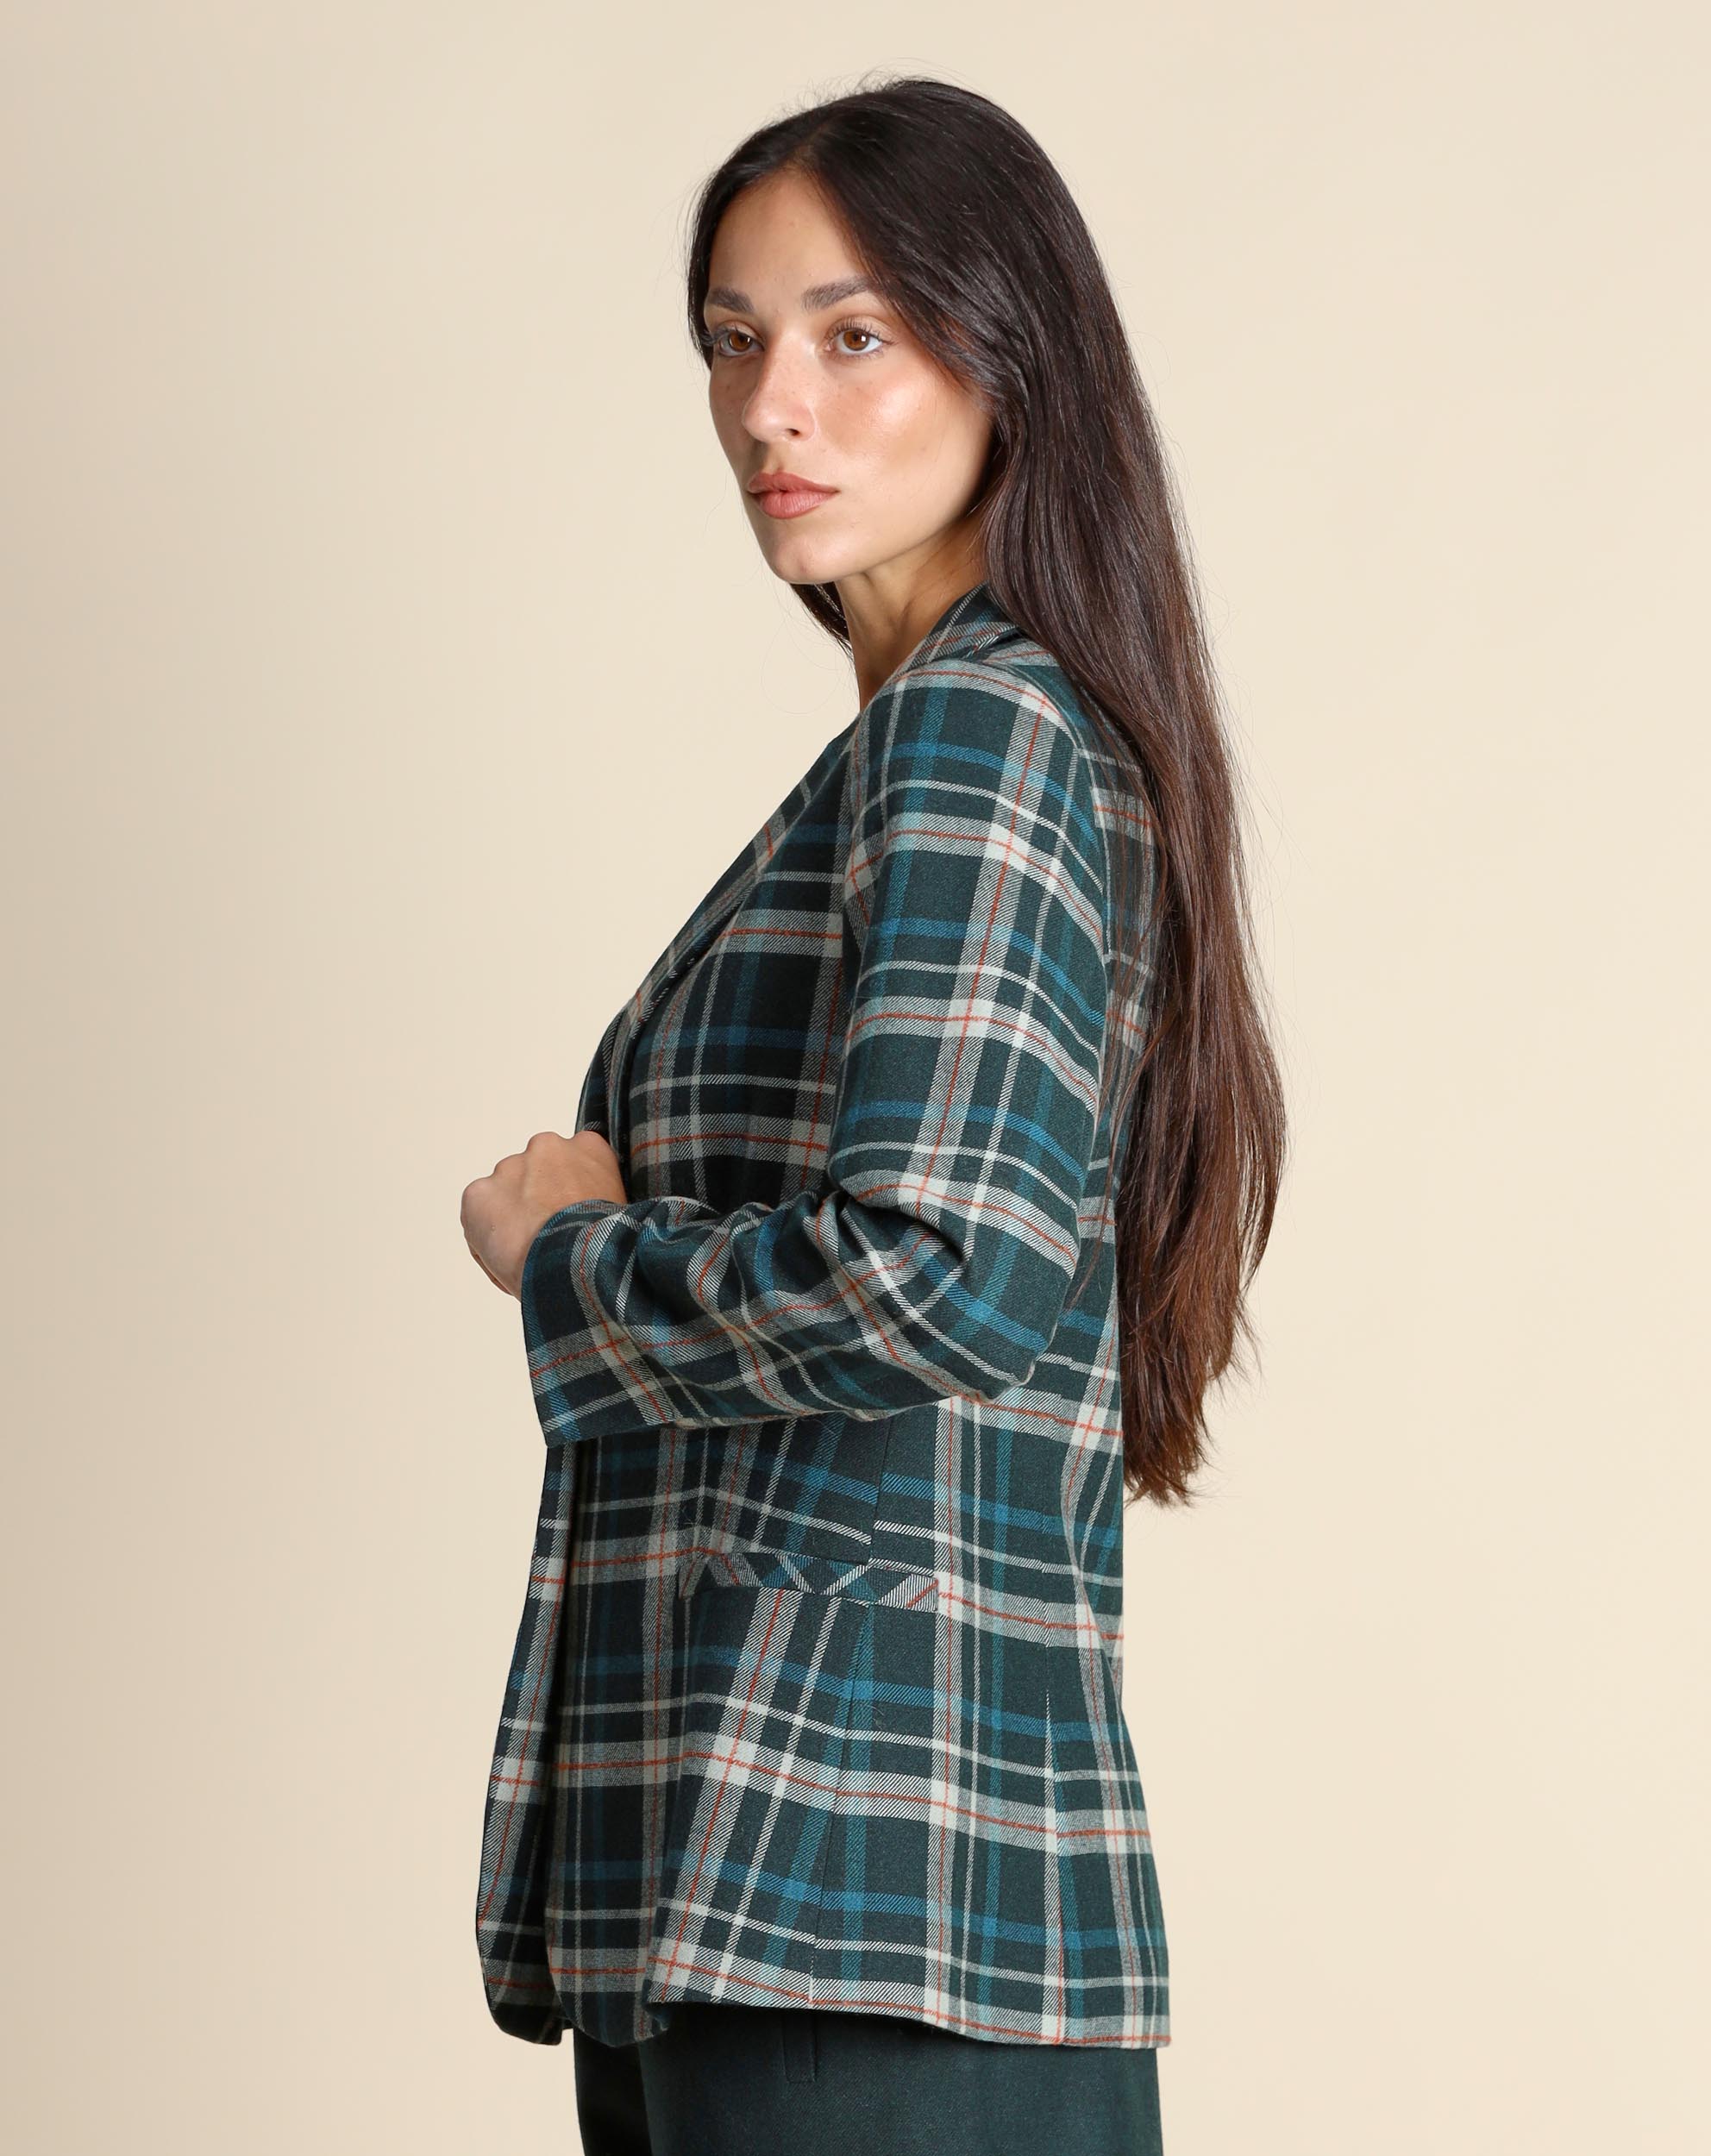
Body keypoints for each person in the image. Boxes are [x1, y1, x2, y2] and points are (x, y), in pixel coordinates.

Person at [461, 75, 1287, 2156]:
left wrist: (570, 1253)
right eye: (731, 340)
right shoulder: (967, 729)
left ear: (1012, 356)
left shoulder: (978, 730)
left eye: (854, 335)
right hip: (808, 1892)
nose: (771, 408)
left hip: (839, 1889)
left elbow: (948, 1271)